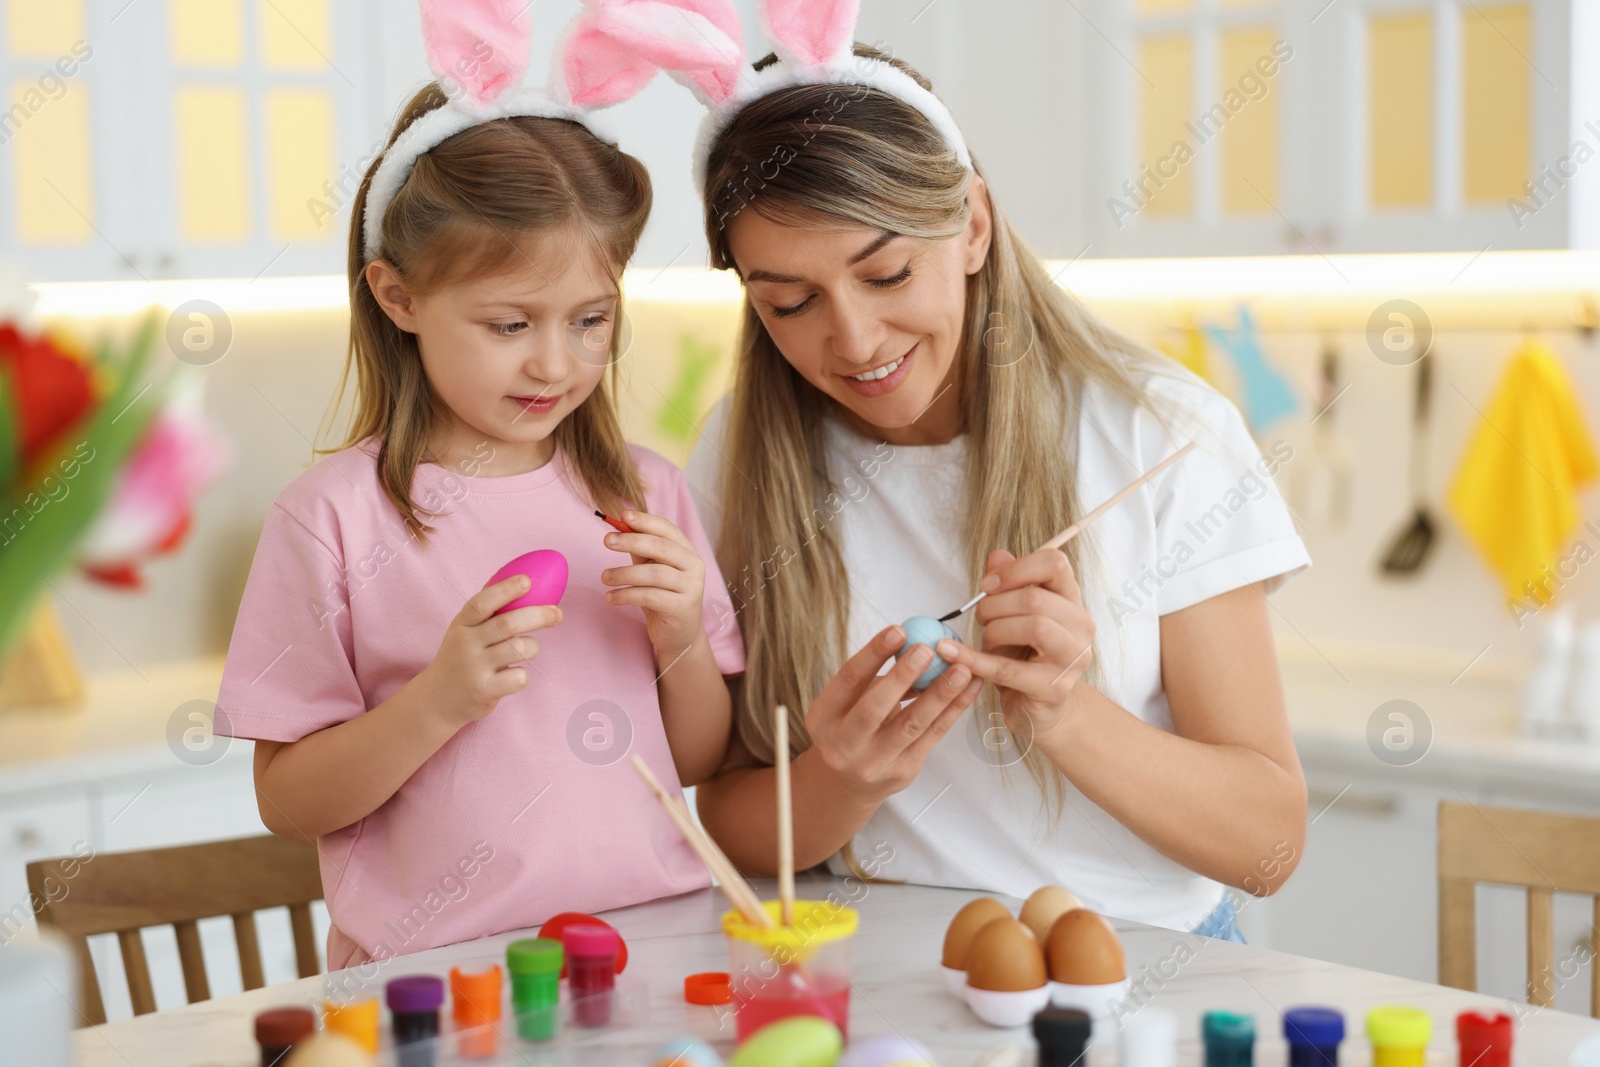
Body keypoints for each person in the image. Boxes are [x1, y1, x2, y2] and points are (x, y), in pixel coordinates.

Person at [677, 0, 1312, 942]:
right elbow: (717, 816)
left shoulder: (1157, 430)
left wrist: (1065, 713)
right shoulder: (744, 450)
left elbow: (1268, 848)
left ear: (972, 224)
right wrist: (838, 780)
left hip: (1134, 969)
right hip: (866, 970)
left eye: (886, 275)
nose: (853, 341)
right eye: (789, 301)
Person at [216, 1, 745, 968]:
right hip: (439, 970)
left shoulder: (645, 493)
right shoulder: (333, 517)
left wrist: (679, 635)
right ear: (399, 296)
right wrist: (440, 699)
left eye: (591, 317)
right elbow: (286, 801)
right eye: (511, 324)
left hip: (657, 946)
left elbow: (699, 758)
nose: (558, 363)